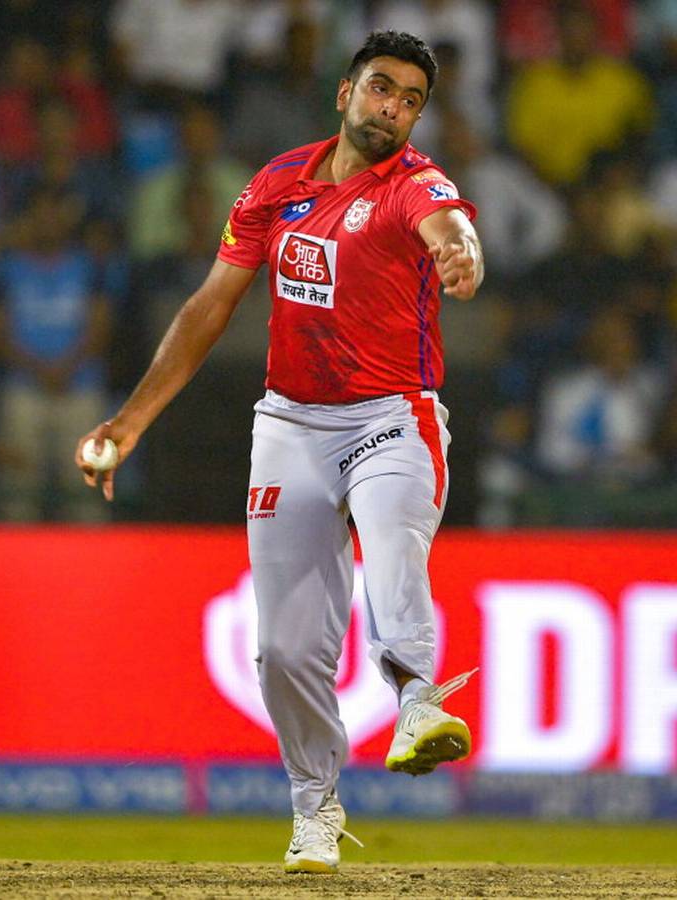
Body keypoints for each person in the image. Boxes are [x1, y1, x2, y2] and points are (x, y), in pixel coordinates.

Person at [76, 31, 483, 874]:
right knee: (286, 651)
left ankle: (415, 700)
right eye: (381, 89)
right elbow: (209, 307)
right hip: (292, 426)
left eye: (411, 100)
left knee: (393, 533)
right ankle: (314, 810)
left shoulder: (415, 182)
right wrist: (130, 422)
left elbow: (448, 225)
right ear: (344, 92)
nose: (394, 109)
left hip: (392, 416)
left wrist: (460, 252)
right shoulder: (275, 184)